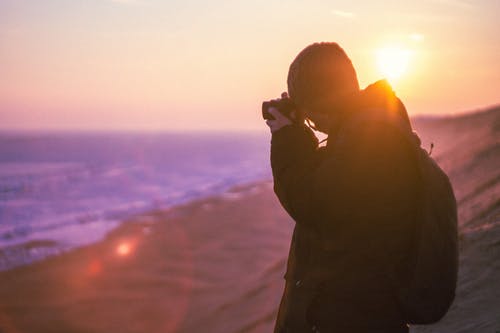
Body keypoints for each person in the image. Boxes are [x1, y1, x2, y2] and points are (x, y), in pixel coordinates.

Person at [264, 42, 420, 332]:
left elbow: (311, 203)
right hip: (364, 311)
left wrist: (287, 137)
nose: (311, 122)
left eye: (310, 113)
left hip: (356, 316)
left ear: (322, 107)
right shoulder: (367, 129)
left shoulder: (369, 138)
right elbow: (333, 188)